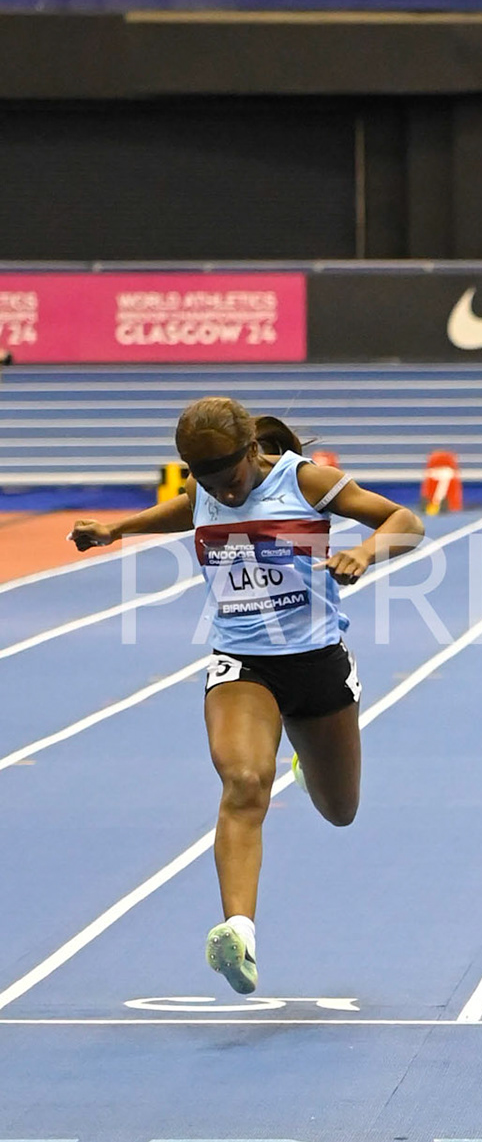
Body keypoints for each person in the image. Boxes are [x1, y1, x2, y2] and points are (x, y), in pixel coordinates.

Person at [68, 398, 424, 995]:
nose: (224, 496)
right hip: (242, 661)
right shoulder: (206, 488)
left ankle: (306, 763)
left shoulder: (303, 480)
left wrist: (366, 550)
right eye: (208, 484)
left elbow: (405, 520)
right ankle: (239, 932)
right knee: (243, 784)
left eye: (232, 481)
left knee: (340, 810)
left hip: (317, 662)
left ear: (253, 456)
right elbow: (185, 510)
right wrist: (116, 529)